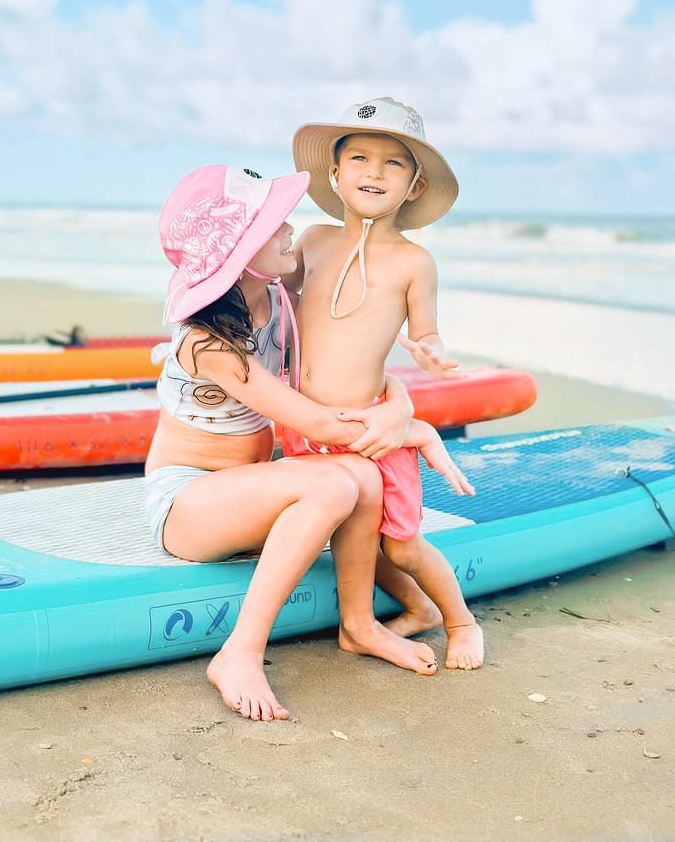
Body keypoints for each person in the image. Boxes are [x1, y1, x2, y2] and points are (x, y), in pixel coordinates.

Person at [145, 164, 468, 722]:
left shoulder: (274, 297)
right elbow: (318, 424)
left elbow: (343, 350)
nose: (290, 227)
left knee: (362, 476)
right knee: (329, 481)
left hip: (247, 496)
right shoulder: (208, 341)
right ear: (242, 251)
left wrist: (402, 400)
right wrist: (416, 430)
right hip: (188, 505)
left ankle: (359, 625)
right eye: (274, 224)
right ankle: (239, 653)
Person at [285, 97, 484, 671]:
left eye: (394, 164)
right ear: (335, 172)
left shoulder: (413, 262)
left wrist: (431, 354)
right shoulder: (313, 240)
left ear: (415, 186)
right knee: (353, 534)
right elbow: (279, 304)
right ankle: (411, 611)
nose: (374, 172)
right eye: (361, 159)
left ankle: (459, 621)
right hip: (307, 425)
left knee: (398, 542)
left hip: (373, 429)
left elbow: (428, 333)